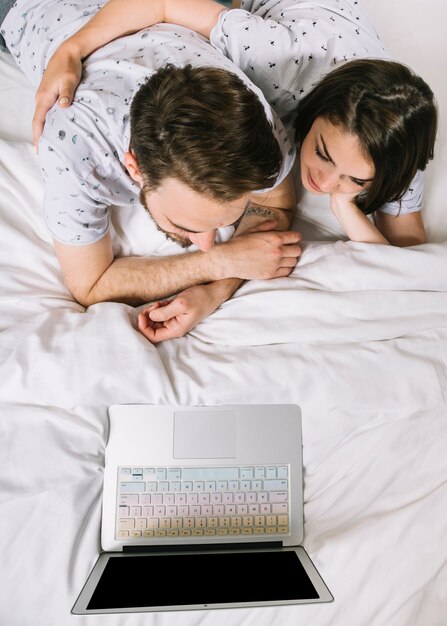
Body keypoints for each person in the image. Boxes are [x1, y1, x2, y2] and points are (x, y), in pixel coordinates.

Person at [1, 0, 303, 342]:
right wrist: (218, 265)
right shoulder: (77, 145)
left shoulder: (255, 124)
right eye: (185, 226)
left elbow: (275, 203)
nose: (207, 244)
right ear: (134, 167)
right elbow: (90, 284)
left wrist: (214, 293)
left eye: (225, 224)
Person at [30, 0, 438, 251]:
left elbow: (403, 255)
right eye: (322, 154)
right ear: (311, 113)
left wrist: (347, 207)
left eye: (356, 179)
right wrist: (71, 50)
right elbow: (162, 4)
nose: (324, 182)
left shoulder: (396, 141)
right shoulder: (271, 61)